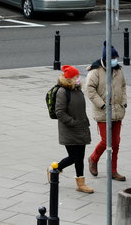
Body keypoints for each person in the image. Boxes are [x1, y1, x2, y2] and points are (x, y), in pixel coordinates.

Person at [86, 42, 127, 181]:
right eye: (113, 58)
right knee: (107, 140)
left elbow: (122, 86)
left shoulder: (118, 70)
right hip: (103, 113)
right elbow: (90, 90)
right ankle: (93, 158)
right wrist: (102, 105)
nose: (115, 60)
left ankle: (113, 170)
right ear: (105, 58)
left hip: (117, 111)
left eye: (116, 57)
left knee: (116, 142)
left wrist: (124, 102)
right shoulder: (95, 71)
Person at [50, 65, 93, 193]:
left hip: (81, 128)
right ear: (69, 79)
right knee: (73, 157)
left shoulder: (77, 89)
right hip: (69, 129)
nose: (79, 78)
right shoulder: (63, 92)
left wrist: (85, 123)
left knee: (80, 157)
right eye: (76, 76)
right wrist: (73, 122)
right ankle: (55, 168)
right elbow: (60, 112)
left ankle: (81, 184)